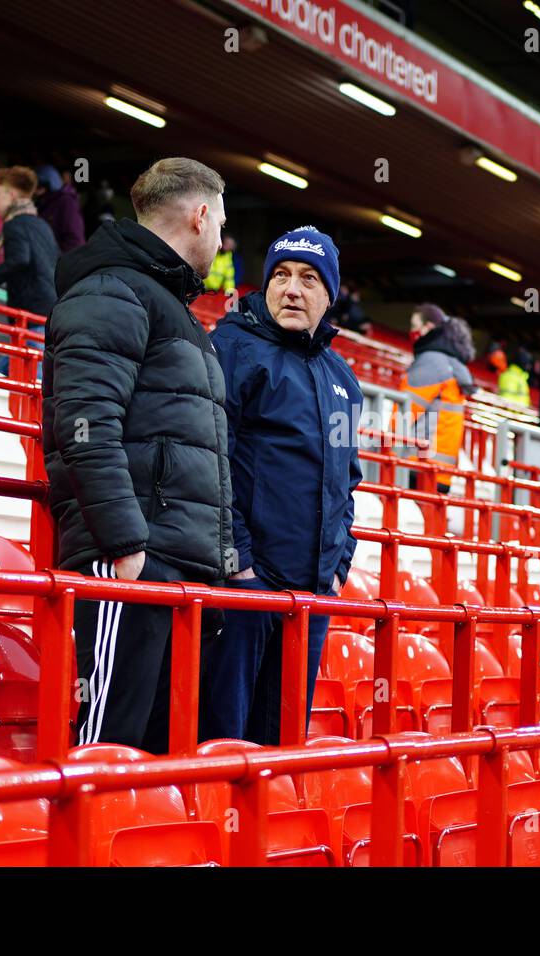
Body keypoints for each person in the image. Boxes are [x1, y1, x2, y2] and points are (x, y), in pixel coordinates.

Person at [42, 157, 237, 751]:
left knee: (156, 759)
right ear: (201, 215)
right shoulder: (112, 289)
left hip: (176, 568)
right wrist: (125, 545)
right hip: (132, 562)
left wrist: (217, 560)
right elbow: (84, 423)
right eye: (221, 224)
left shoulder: (166, 304)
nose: (221, 239)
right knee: (105, 751)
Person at [200, 226, 363, 745]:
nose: (292, 289)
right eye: (282, 276)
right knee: (224, 742)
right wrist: (238, 562)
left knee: (283, 747)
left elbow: (347, 481)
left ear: (329, 296)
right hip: (245, 589)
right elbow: (209, 460)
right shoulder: (230, 348)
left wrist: (338, 567)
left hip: (311, 597)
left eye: (309, 279)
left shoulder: (342, 377)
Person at [0, 166, 59, 374]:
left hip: (31, 316)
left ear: (11, 195)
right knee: (4, 375)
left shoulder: (14, 225)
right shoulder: (43, 226)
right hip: (49, 314)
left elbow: (19, 260)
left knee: (31, 381)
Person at [399, 303, 476, 492]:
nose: (412, 330)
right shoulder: (454, 364)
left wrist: (384, 454)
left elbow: (402, 414)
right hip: (441, 471)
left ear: (429, 327)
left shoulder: (431, 361)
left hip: (418, 465)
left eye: (415, 324)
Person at [34, 165, 86, 253]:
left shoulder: (66, 202)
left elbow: (74, 239)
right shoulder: (43, 204)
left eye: (39, 186)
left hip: (63, 261)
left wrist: (59, 262)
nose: (35, 191)